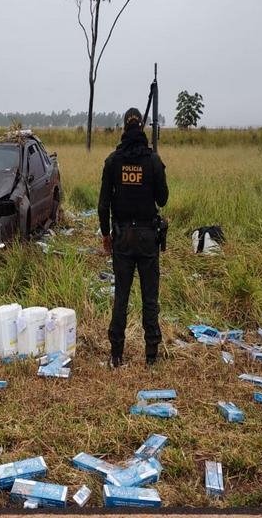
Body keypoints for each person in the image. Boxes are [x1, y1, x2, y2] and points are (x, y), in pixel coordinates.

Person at [98, 107, 169, 367]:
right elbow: (163, 198)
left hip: (122, 238)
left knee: (121, 297)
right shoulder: (152, 160)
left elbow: (103, 205)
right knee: (150, 298)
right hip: (148, 237)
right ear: (142, 128)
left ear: (124, 128)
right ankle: (151, 356)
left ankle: (116, 354)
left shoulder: (113, 161)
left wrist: (106, 235)